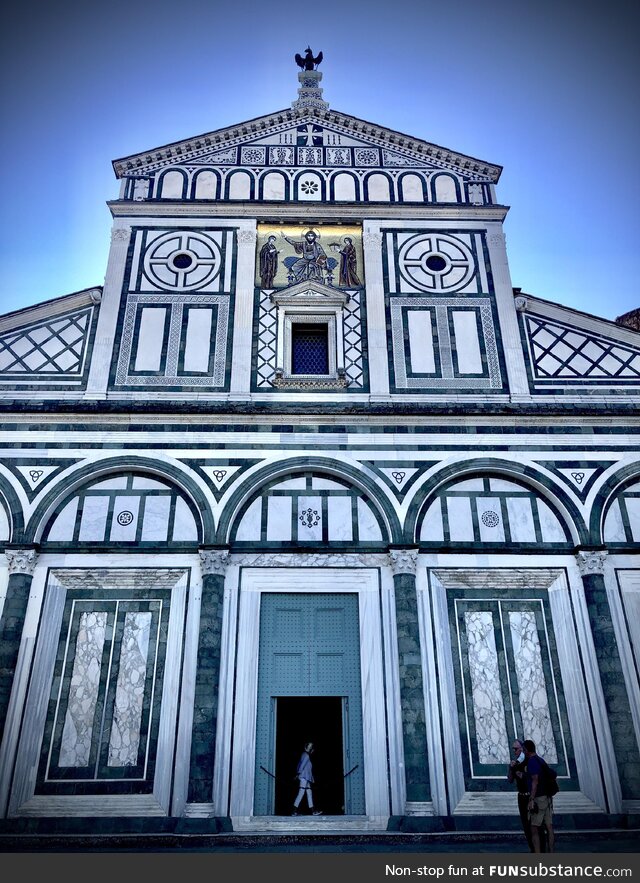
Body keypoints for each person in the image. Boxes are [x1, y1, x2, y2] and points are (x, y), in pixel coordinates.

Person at [523, 739, 555, 853]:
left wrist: (531, 799)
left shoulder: (532, 761)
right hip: (547, 798)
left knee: (534, 828)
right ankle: (551, 853)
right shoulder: (541, 760)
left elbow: (535, 781)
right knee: (549, 827)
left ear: (526, 750)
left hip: (538, 798)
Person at [508, 738, 537, 852]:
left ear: (522, 749)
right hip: (521, 796)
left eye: (516, 749)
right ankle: (532, 849)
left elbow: (535, 779)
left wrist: (523, 775)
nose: (514, 752)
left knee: (535, 825)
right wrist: (511, 768)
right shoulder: (516, 764)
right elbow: (510, 780)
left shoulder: (530, 761)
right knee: (526, 825)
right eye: (513, 749)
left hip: (530, 795)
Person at [292, 741, 322, 815]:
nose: (311, 748)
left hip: (306, 777)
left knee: (309, 793)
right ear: (306, 747)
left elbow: (302, 765)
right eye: (310, 747)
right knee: (301, 793)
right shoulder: (306, 755)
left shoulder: (304, 754)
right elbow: (301, 766)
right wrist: (298, 774)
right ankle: (294, 811)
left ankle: (313, 811)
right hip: (304, 777)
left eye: (311, 747)